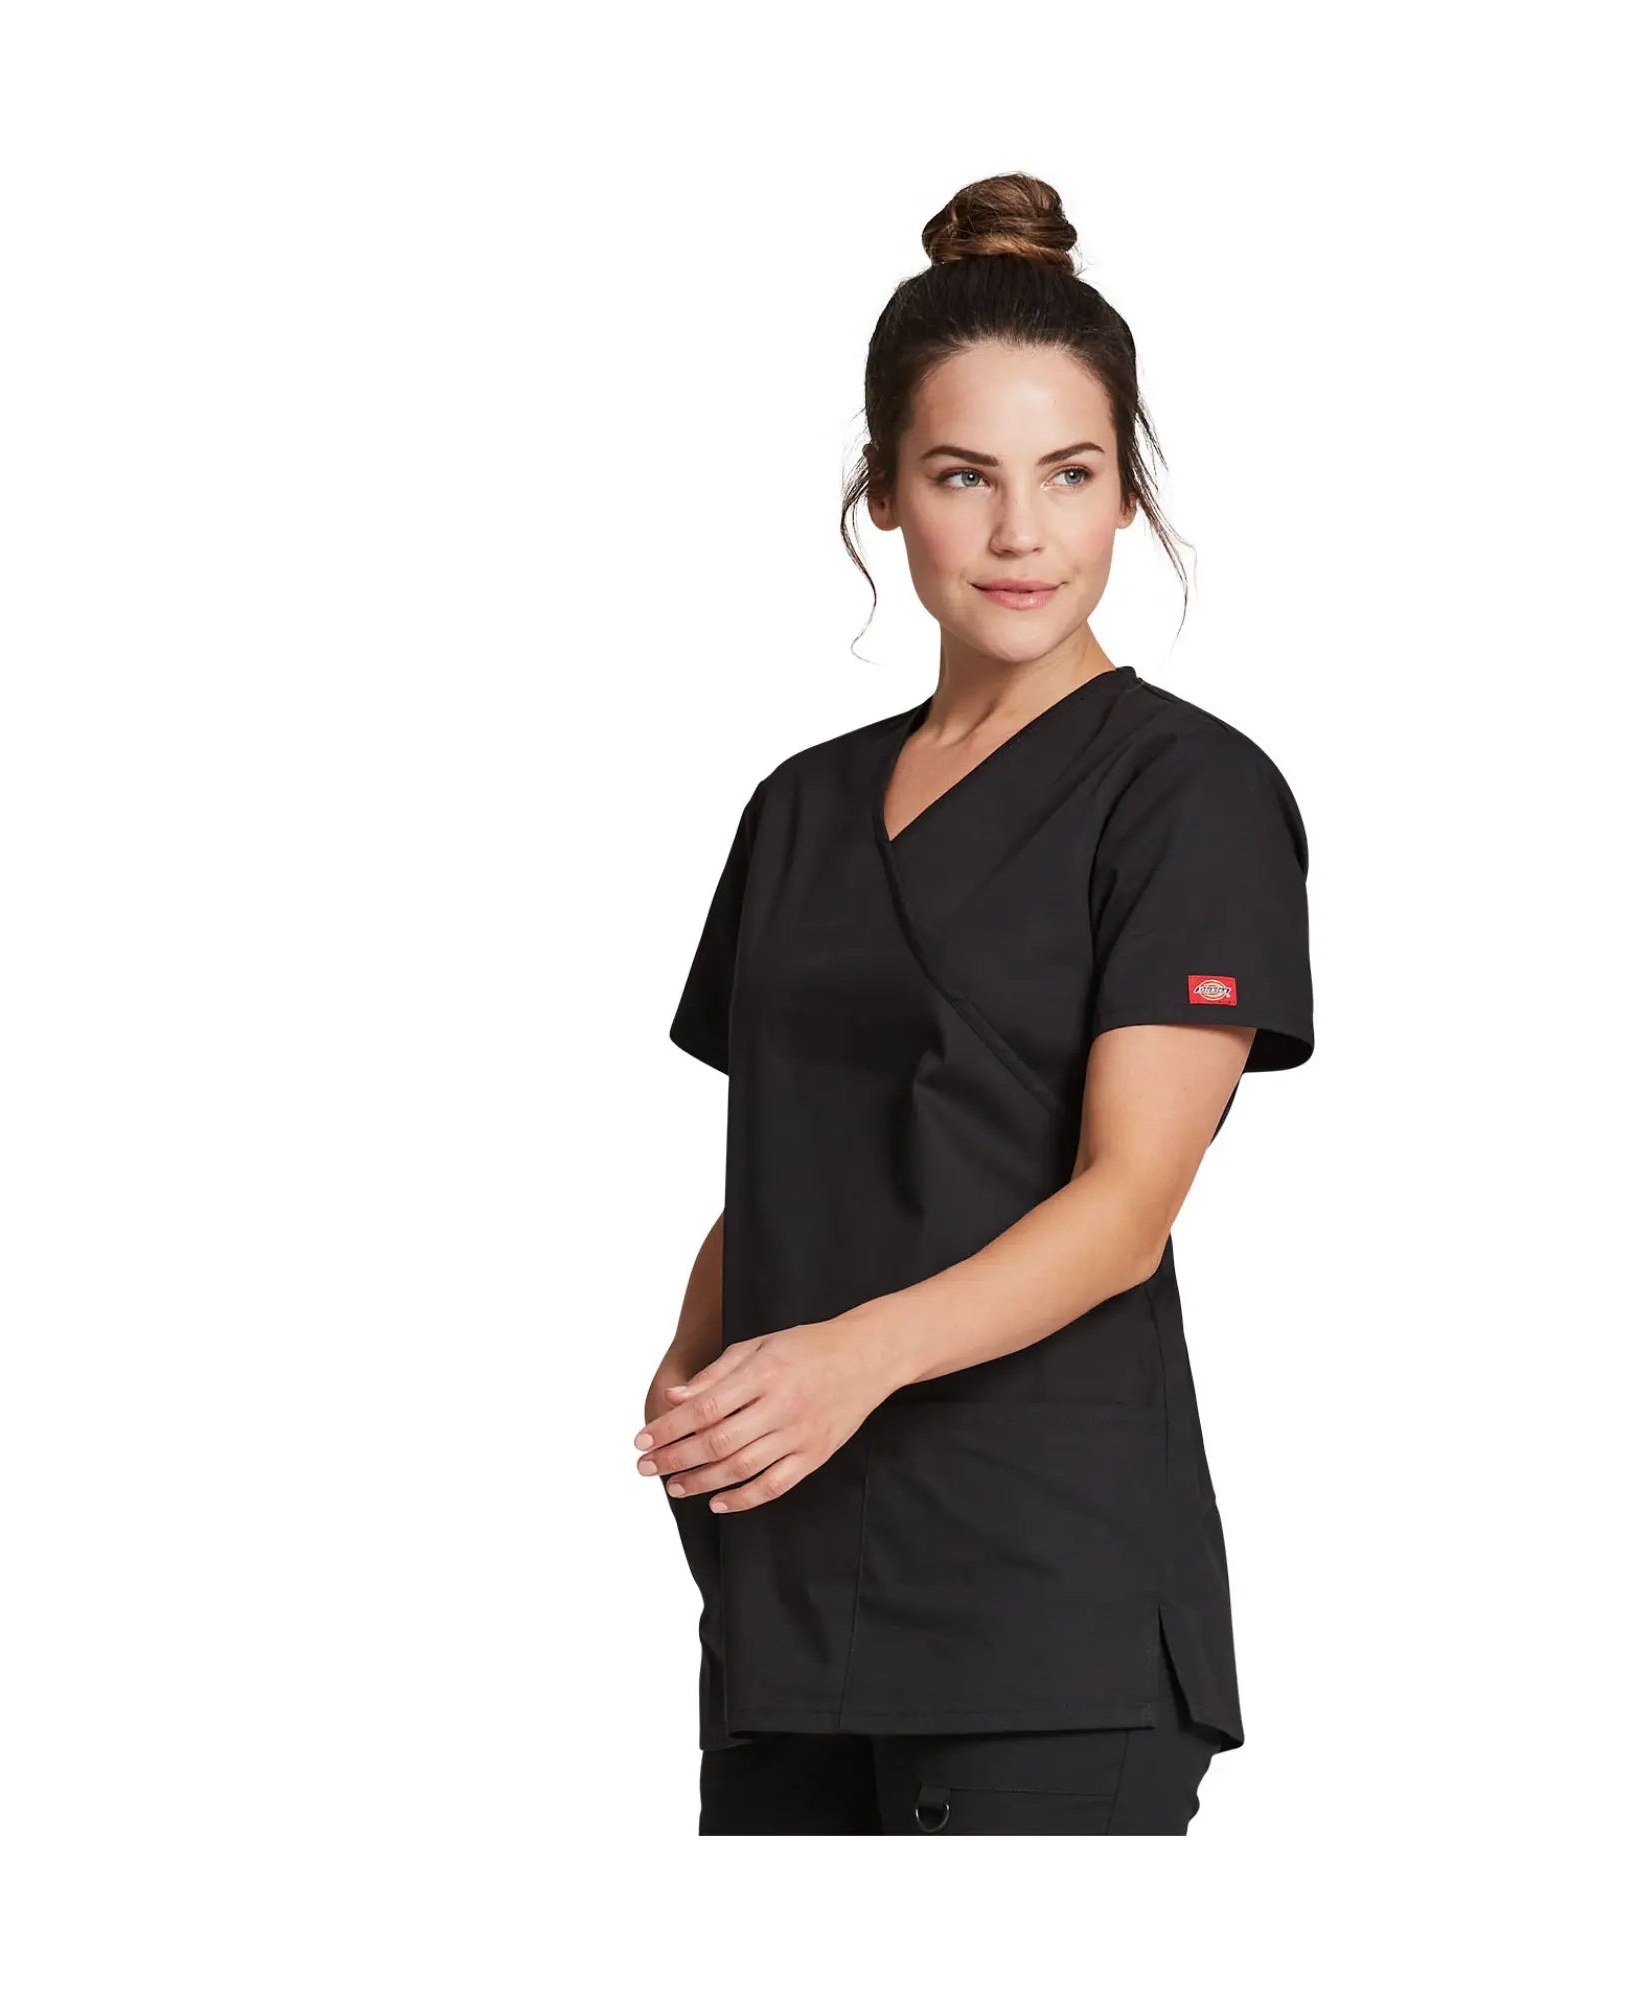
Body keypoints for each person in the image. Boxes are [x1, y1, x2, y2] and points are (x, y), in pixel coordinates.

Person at [637, 172, 1316, 1835]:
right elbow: (794, 1153)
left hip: (1043, 1608)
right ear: (883, 491)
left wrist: (844, 1364)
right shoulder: (800, 807)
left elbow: (1126, 1206)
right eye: (964, 476)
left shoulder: (1187, 796)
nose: (1023, 535)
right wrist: (692, 1369)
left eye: (1070, 474)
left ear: (1127, 494)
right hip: (790, 1593)